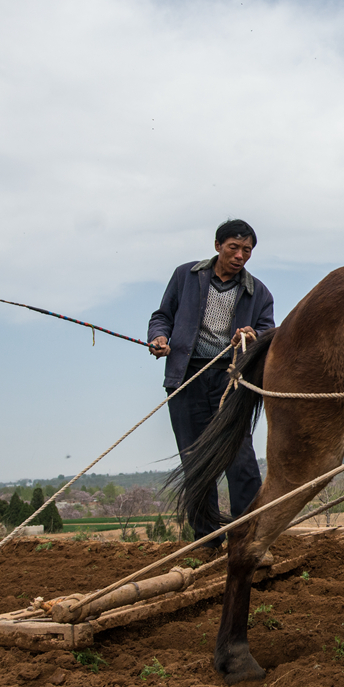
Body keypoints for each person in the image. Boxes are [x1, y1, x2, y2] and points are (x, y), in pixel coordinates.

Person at [148, 219, 275, 547]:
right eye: (234, 247)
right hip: (186, 378)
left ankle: (246, 539)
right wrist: (159, 338)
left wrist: (253, 335)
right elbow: (162, 316)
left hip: (231, 383)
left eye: (247, 250)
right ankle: (206, 543)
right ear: (218, 245)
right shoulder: (186, 276)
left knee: (240, 460)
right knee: (196, 463)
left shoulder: (258, 292)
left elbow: (268, 332)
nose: (240, 255)